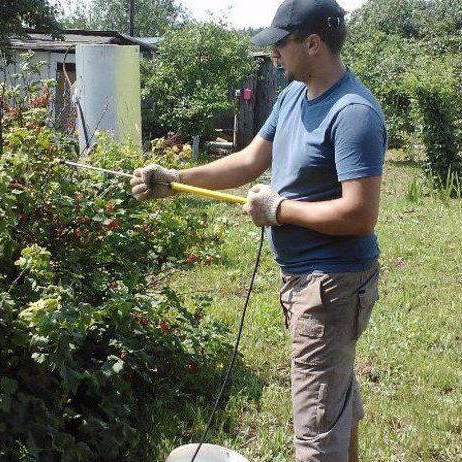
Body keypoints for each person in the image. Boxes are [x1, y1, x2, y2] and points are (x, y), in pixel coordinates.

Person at [130, 0, 387, 460]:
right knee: (333, 402)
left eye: (280, 46)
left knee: (315, 433)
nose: (274, 56)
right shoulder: (292, 97)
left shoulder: (353, 113)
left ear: (313, 43)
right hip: (306, 279)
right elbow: (250, 160)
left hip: (331, 284)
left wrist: (279, 209)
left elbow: (359, 215)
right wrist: (177, 180)